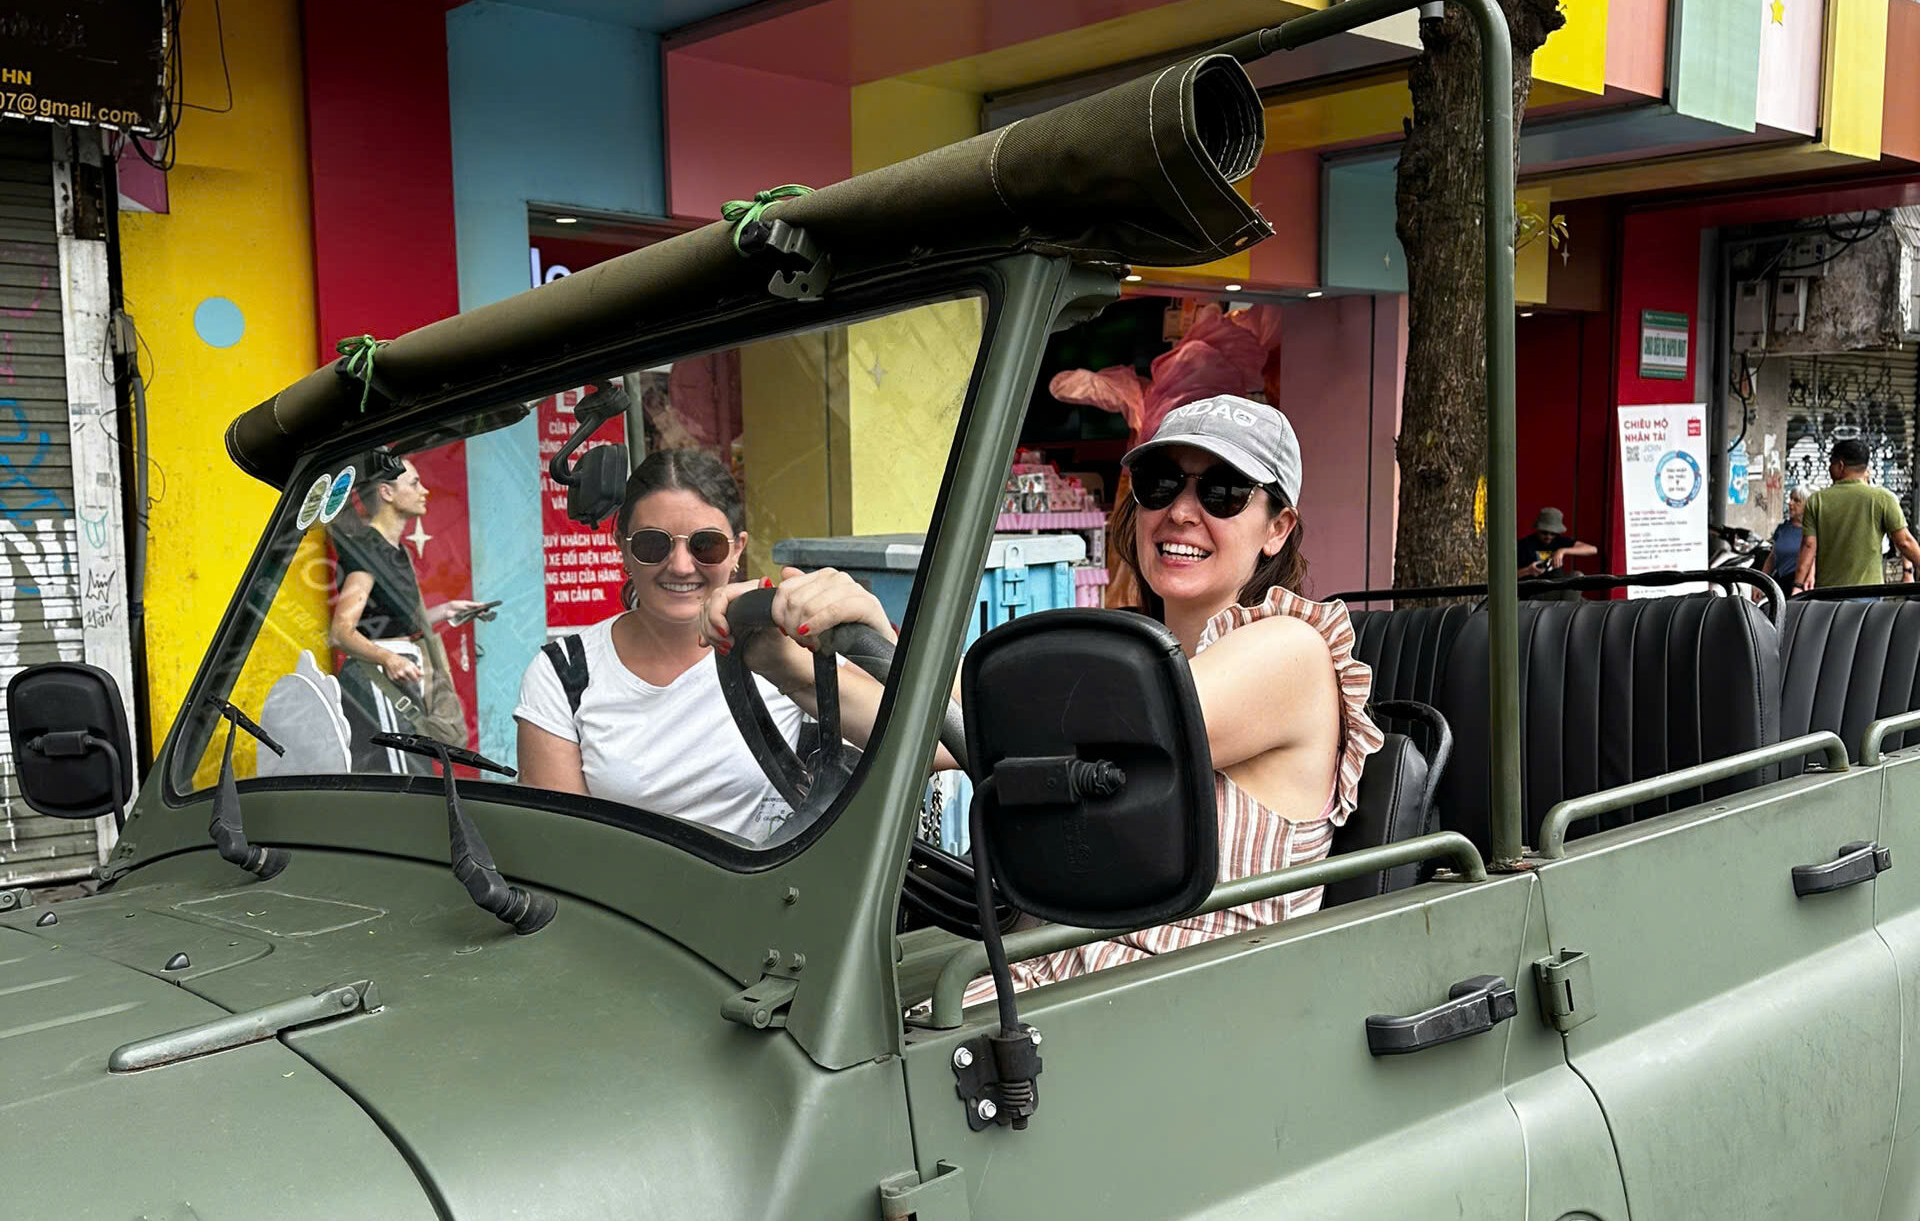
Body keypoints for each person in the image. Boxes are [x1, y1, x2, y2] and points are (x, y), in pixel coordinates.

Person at [702, 395, 1383, 995]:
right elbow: (933, 730)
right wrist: (784, 659)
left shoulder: (1290, 650)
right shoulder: (1127, 649)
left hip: (1196, 1007)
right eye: (1160, 483)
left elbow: (1104, 728)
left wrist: (881, 634)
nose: (1181, 511)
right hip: (1060, 974)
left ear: (1277, 527)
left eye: (1223, 492)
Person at [515, 449, 807, 842]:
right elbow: (562, 846)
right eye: (654, 544)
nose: (681, 566)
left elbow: (892, 747)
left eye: (706, 545)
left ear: (737, 549)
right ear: (622, 547)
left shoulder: (782, 646)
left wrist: (801, 667)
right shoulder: (564, 672)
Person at [329, 451, 474, 769]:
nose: (425, 491)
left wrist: (447, 610)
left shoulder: (396, 551)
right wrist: (388, 658)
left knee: (414, 773)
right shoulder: (369, 549)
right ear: (386, 492)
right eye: (414, 483)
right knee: (400, 776)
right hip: (378, 680)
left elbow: (393, 625)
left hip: (400, 674)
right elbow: (341, 632)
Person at [1793, 439, 1920, 592]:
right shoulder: (1883, 498)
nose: (1829, 468)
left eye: (1831, 463)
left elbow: (1808, 545)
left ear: (1840, 466)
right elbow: (1904, 542)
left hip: (1828, 594)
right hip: (1868, 593)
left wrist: (1798, 585)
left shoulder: (1817, 500)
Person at [1519, 507, 1597, 577]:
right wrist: (1527, 571)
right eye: (1544, 533)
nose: (1548, 537)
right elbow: (1512, 576)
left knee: (1578, 575)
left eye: (1553, 534)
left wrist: (1562, 551)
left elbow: (1593, 549)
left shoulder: (1559, 541)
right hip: (1532, 585)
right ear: (1538, 529)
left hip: (1556, 584)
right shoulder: (1525, 544)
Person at [1770, 486, 1809, 588]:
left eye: (1796, 501)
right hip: (1780, 581)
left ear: (1806, 505)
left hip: (1799, 585)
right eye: (1790, 499)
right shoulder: (1782, 528)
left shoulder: (1810, 532)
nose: (1790, 503)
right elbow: (1772, 557)